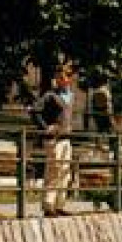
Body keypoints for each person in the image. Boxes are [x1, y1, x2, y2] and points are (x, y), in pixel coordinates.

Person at [36, 68, 76, 216]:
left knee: (65, 172)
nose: (61, 80)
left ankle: (60, 204)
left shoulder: (70, 96)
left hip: (66, 138)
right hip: (54, 139)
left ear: (69, 79)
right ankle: (48, 205)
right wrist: (46, 127)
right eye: (58, 78)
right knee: (54, 171)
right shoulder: (50, 95)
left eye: (64, 77)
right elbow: (35, 111)